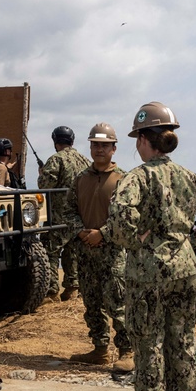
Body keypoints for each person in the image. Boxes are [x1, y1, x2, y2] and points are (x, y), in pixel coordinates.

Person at [105, 101, 196, 391]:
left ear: (145, 139)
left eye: (138, 138)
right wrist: (189, 239)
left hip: (148, 275)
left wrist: (138, 241)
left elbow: (117, 224)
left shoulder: (137, 178)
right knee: (182, 339)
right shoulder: (188, 176)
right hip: (186, 271)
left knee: (149, 344)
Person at [63, 123, 133, 371]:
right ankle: (100, 349)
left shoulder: (124, 180)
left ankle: (127, 351)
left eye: (104, 145)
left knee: (118, 303)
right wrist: (81, 231)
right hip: (85, 252)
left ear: (114, 148)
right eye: (95, 145)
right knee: (91, 302)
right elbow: (69, 210)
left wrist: (102, 233)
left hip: (112, 253)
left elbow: (128, 218)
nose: (99, 149)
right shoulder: (81, 178)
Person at [38, 125, 90, 302]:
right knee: (72, 250)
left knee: (51, 250)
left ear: (55, 141)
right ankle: (72, 287)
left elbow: (45, 186)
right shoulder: (84, 160)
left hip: (58, 215)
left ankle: (52, 290)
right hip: (80, 214)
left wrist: (41, 174)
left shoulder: (55, 160)